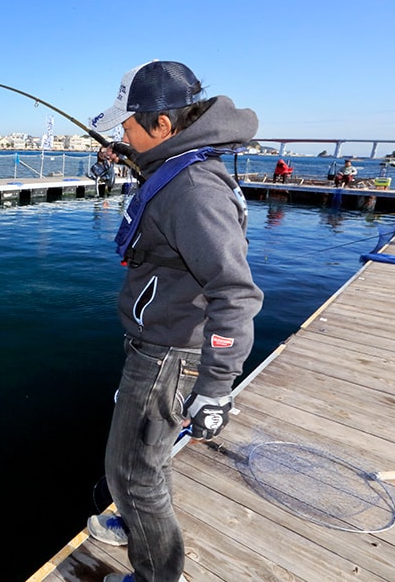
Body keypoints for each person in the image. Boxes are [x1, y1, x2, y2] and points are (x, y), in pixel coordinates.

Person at [86, 61, 264, 582]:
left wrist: (216, 387)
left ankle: (157, 574)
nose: (122, 133)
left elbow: (234, 291)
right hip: (158, 343)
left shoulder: (194, 191)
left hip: (168, 354)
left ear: (162, 125)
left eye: (128, 125)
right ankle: (140, 524)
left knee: (132, 470)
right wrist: (137, 157)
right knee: (149, 457)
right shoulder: (181, 170)